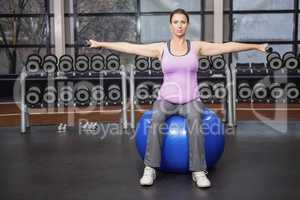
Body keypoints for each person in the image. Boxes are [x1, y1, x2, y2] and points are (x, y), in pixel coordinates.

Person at [88, 8, 267, 188]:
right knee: (156, 118)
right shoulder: (161, 48)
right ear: (170, 25)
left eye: (183, 22)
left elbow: (227, 46)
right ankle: (150, 168)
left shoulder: (197, 47)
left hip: (191, 100)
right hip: (166, 100)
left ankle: (198, 171)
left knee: (196, 119)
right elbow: (130, 47)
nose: (179, 25)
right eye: (176, 22)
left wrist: (255, 46)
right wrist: (102, 43)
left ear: (187, 25)